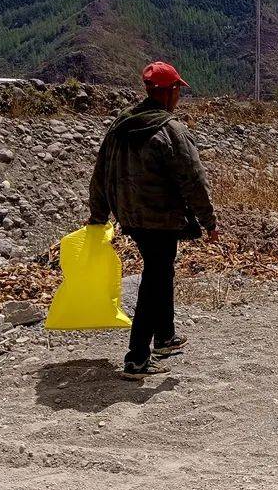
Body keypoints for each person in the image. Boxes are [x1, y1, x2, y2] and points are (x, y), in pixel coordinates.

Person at [89, 61, 218, 380]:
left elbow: (101, 171)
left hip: (130, 215)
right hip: (161, 218)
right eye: (178, 90)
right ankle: (137, 358)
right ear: (170, 92)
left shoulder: (122, 123)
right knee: (154, 277)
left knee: (161, 268)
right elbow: (193, 180)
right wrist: (209, 221)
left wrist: (98, 216)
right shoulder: (171, 130)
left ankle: (165, 336)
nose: (179, 96)